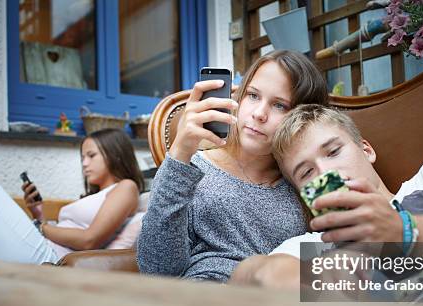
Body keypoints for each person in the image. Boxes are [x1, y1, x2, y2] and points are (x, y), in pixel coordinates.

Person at [230, 104, 423, 288]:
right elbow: (249, 281)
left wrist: (405, 231)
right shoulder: (311, 247)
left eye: (333, 151)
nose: (326, 174)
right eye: (306, 173)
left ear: (366, 149)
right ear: (302, 193)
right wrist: (314, 278)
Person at [137, 50, 328, 282]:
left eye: (280, 105)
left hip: (282, 305)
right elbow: (157, 270)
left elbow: (345, 253)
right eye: (253, 95)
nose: (259, 114)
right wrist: (179, 152)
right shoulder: (189, 170)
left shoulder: (307, 178)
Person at [0, 128, 145, 264]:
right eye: (82, 157)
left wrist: (41, 227)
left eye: (91, 156)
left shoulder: (126, 187)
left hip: (47, 259)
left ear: (115, 154)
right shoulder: (96, 195)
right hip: (37, 248)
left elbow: (89, 240)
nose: (84, 164)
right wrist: (39, 216)